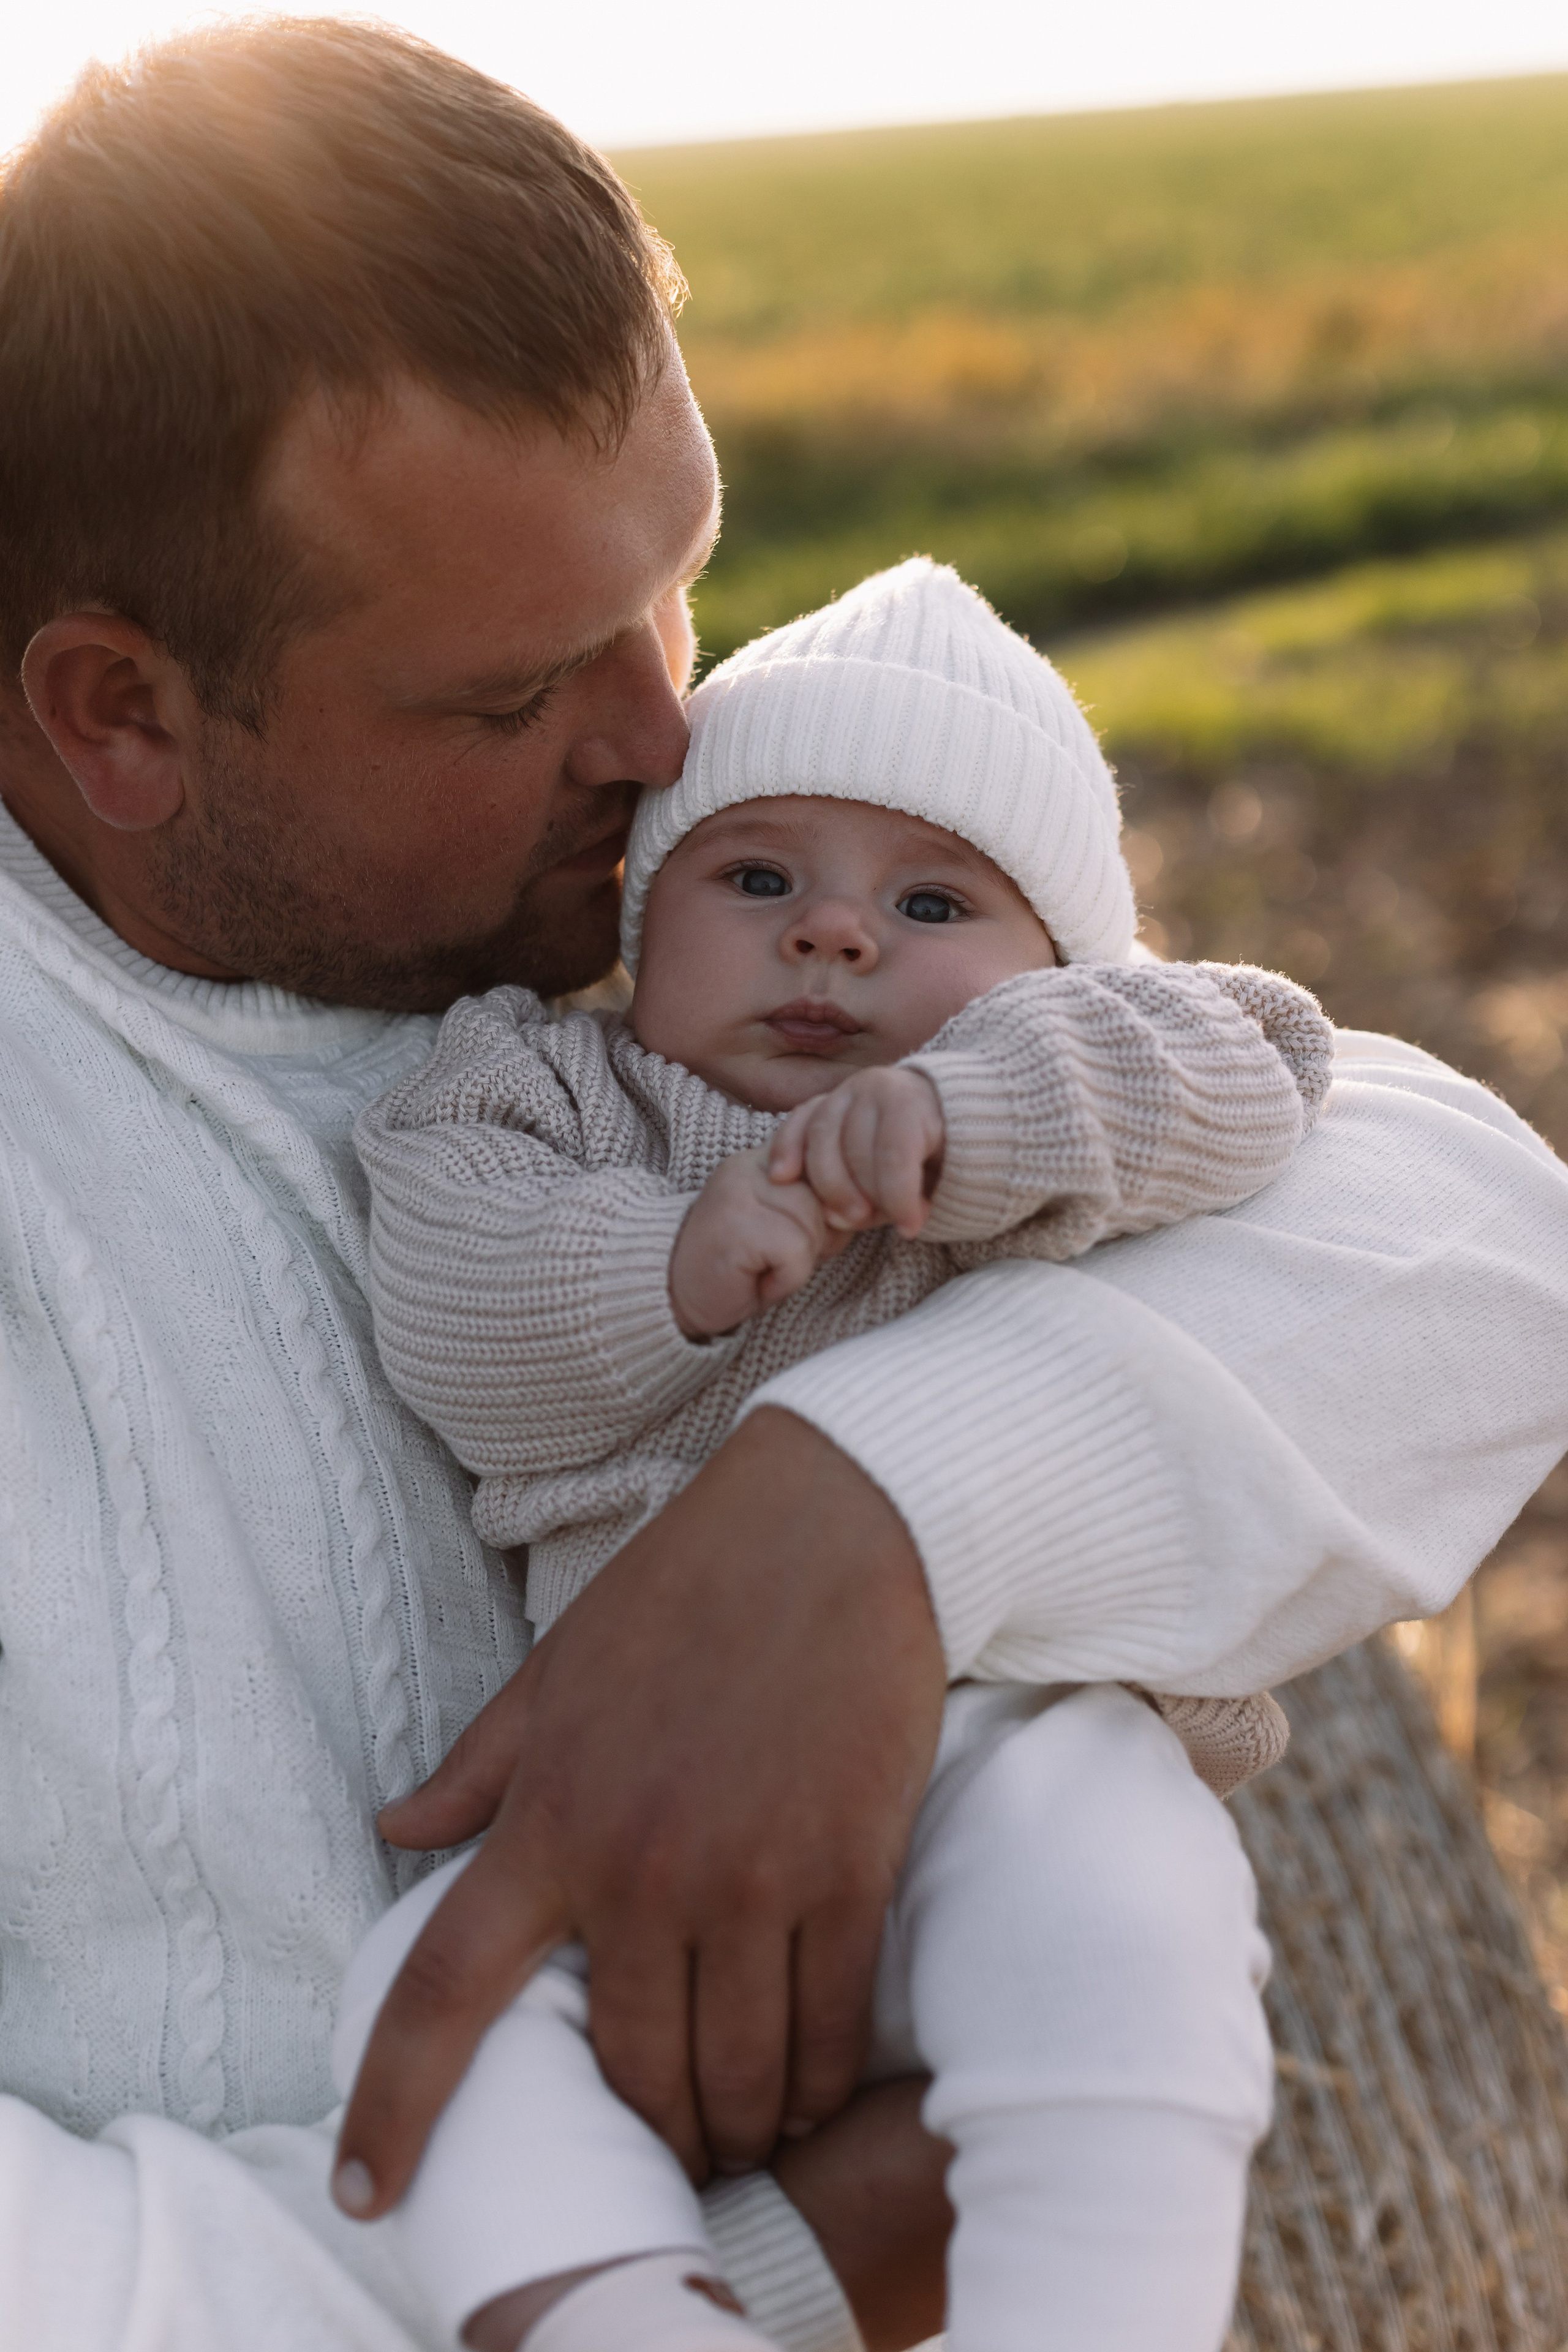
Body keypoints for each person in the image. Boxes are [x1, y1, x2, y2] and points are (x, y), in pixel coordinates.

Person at [1, 21, 1566, 2352]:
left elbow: (1467, 1232)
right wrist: (785, 2268)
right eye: (515, 693)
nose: (662, 738)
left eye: (681, 591)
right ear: (121, 714)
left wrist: (867, 1513)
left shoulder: (665, 940)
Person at [344, 555, 1335, 2352]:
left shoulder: (1041, 1092)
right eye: (757, 876)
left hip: (989, 1753)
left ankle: (1094, 2313)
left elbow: (1258, 1055)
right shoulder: (549, 1094)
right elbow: (449, 1292)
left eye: (934, 899)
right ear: (648, 915)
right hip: (643, 1809)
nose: (834, 935)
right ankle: (630, 2315)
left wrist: (981, 1109)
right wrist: (668, 1268)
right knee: (417, 1994)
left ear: (1057, 966)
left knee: (1124, 1870)